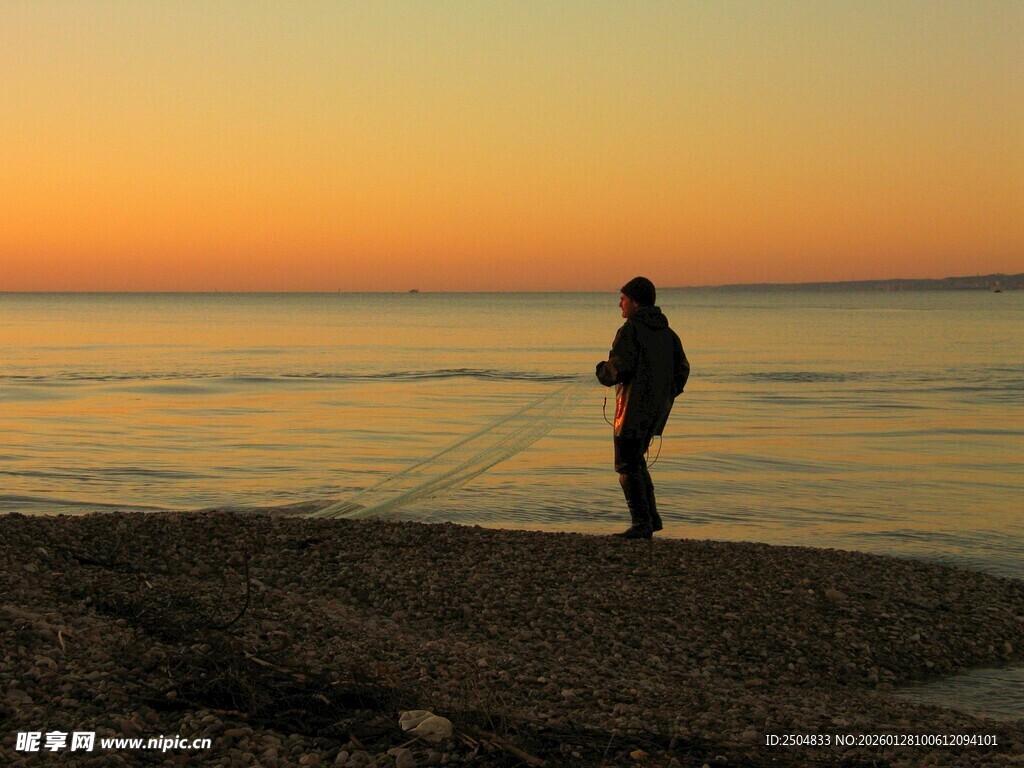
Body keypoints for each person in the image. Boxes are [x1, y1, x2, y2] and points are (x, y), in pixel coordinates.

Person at [596, 277, 689, 539]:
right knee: (637, 461)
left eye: (623, 299)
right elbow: (682, 370)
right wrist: (666, 395)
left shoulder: (631, 330)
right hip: (657, 411)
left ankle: (641, 523)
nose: (620, 305)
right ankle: (651, 519)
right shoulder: (669, 334)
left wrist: (601, 370)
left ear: (635, 302)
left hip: (631, 411)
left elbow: (619, 368)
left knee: (626, 464)